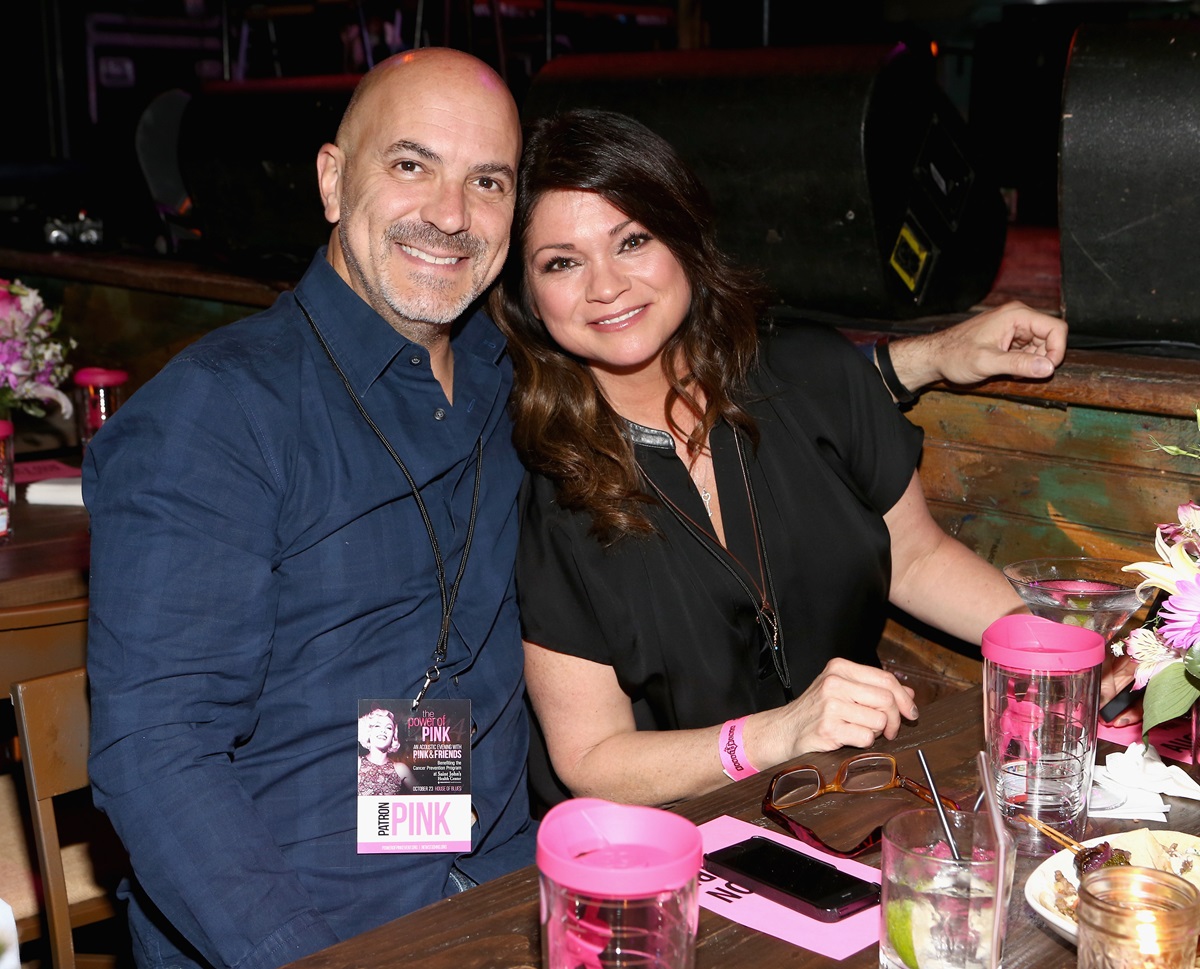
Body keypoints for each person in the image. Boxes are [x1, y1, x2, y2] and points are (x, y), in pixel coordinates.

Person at [84, 48, 534, 969]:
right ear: (333, 181)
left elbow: (686, 393)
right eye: (411, 164)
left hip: (502, 911)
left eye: (486, 180)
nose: (450, 215)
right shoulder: (220, 410)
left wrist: (897, 367)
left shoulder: (513, 382)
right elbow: (158, 755)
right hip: (295, 934)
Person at [490, 108, 1061, 811]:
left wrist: (1058, 652)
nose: (604, 285)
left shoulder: (813, 375)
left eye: (632, 240)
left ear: (685, 235)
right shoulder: (540, 476)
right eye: (562, 262)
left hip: (842, 803)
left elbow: (915, 559)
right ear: (528, 295)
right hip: (661, 846)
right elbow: (591, 759)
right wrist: (774, 735)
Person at [358, 707, 417, 796]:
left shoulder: (400, 769)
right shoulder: (357, 763)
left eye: (389, 728)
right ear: (368, 732)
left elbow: (430, 798)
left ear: (393, 736)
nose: (383, 731)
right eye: (377, 726)